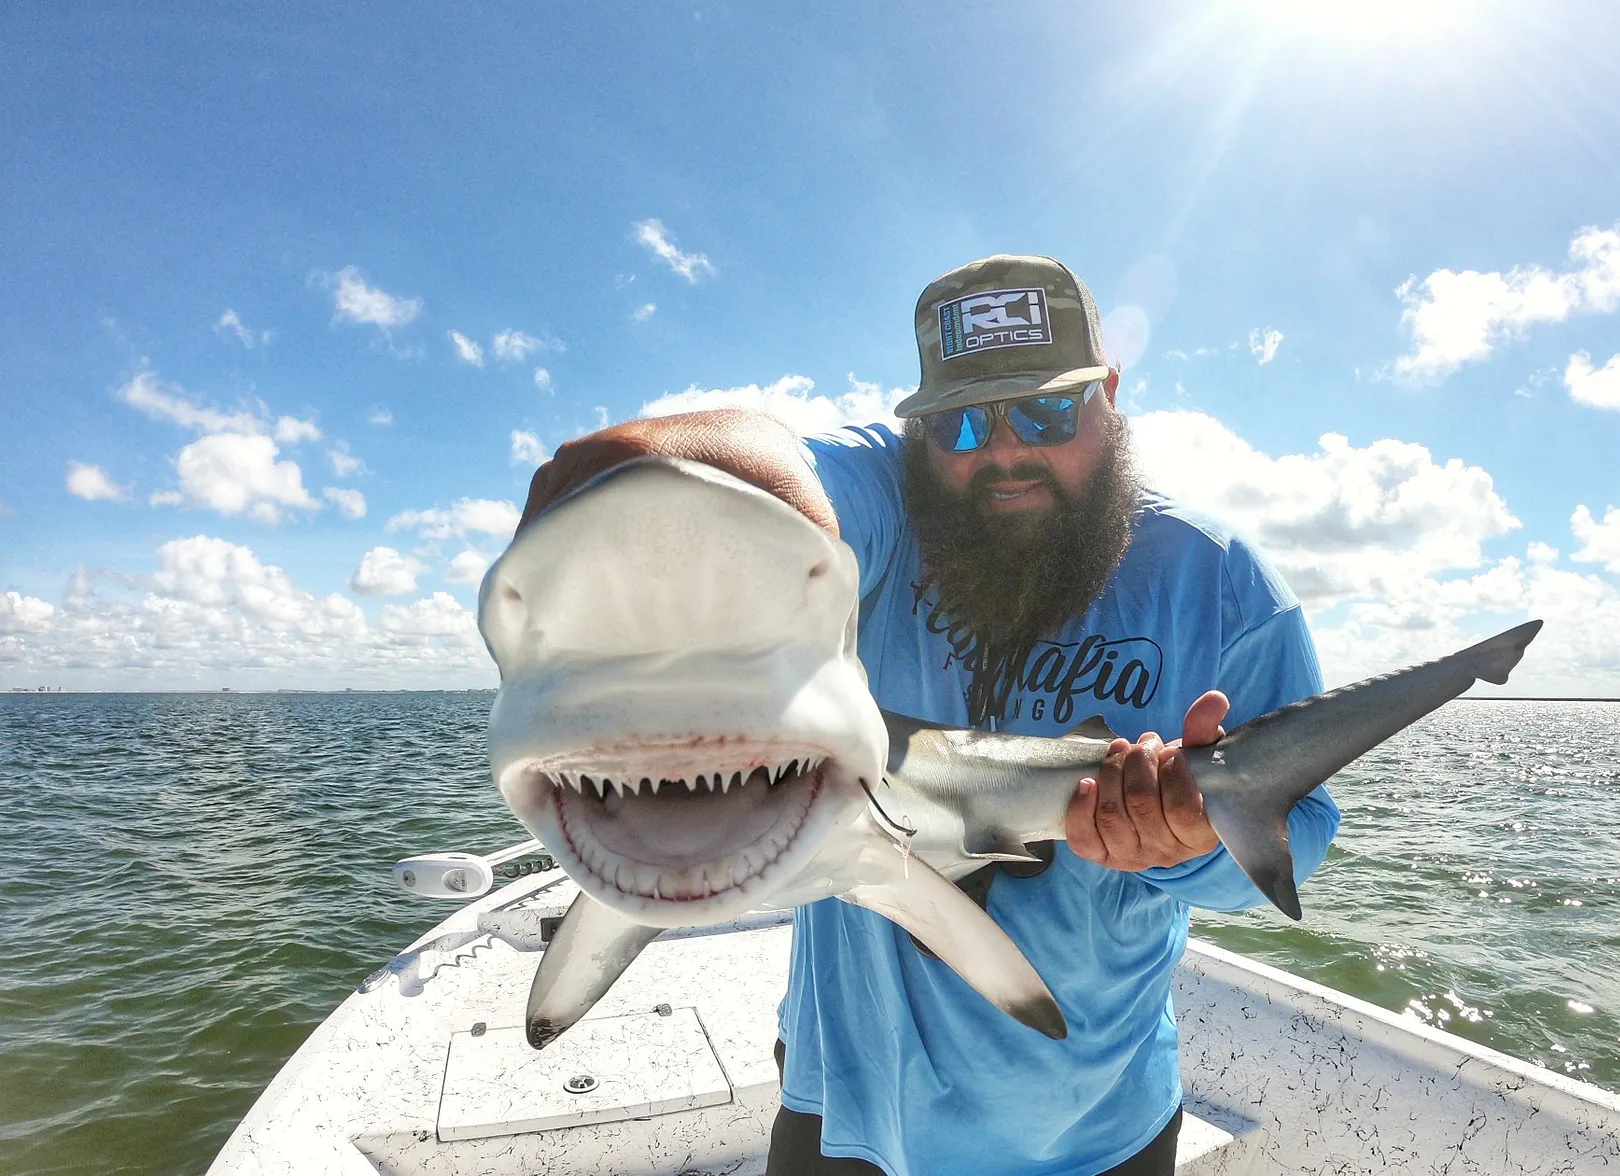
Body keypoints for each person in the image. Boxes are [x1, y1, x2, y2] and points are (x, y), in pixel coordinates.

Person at [519, 254, 1341, 1176]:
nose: (1001, 452)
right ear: (915, 429)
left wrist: (1188, 849)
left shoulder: (1220, 584)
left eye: (1045, 410)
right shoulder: (886, 501)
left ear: (1110, 395)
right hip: (845, 1103)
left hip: (1092, 1122)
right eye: (956, 424)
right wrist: (636, 475)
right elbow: (789, 471)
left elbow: (1299, 837)